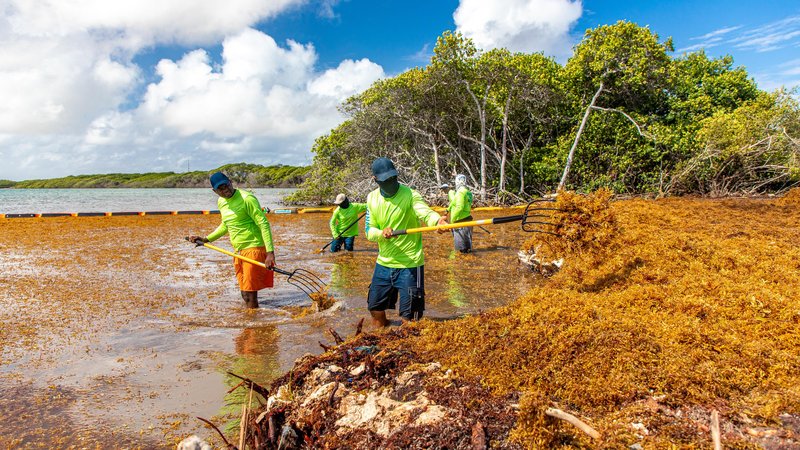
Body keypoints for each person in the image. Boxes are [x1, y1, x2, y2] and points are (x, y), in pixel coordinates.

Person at [364, 157, 448, 327]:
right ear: (376, 180)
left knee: (410, 319)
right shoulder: (371, 198)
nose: (390, 182)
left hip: (410, 264)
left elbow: (425, 213)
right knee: (375, 309)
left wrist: (437, 221)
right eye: (385, 180)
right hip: (384, 263)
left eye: (393, 178)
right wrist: (382, 233)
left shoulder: (410, 195)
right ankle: (384, 337)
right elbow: (369, 231)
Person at [188, 172, 275, 309]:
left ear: (230, 181)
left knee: (250, 294)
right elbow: (226, 225)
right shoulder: (221, 201)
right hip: (238, 252)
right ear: (214, 191)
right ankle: (254, 322)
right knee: (244, 294)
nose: (225, 190)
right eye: (220, 189)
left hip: (254, 248)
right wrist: (206, 239)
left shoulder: (247, 198)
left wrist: (270, 253)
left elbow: (263, 223)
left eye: (226, 185)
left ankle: (254, 328)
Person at [447, 174, 474, 253]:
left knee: (462, 250)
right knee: (468, 248)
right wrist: (447, 210)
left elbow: (459, 207)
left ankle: (463, 264)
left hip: (460, 222)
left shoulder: (460, 192)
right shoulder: (468, 192)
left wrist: (453, 221)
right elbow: (455, 203)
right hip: (468, 219)